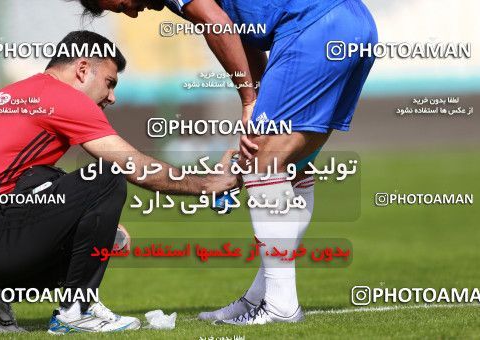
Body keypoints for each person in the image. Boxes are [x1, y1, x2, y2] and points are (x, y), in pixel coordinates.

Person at [75, 0, 378, 325]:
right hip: (354, 24)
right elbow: (238, 32)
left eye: (121, 5)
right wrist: (258, 98)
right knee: (293, 166)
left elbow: (215, 21)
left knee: (261, 161)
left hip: (313, 27)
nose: (133, 13)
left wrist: (249, 101)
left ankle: (280, 306)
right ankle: (262, 297)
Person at [0, 30, 238, 334]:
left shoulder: (13, 94)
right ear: (83, 70)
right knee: (106, 175)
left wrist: (93, 224)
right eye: (109, 83)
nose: (112, 97)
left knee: (46, 180)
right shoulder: (61, 96)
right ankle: (77, 310)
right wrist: (208, 184)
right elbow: (135, 166)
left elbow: (22, 183)